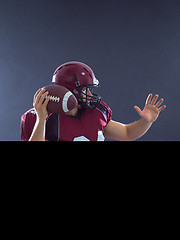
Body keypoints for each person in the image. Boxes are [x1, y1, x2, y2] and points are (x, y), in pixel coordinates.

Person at [21, 61, 166, 141]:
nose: (90, 94)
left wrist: (146, 121)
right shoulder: (42, 117)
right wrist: (41, 120)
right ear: (69, 92)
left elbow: (127, 133)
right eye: (85, 89)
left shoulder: (96, 112)